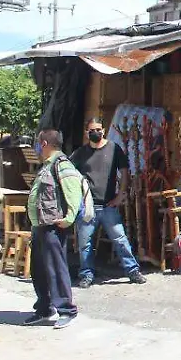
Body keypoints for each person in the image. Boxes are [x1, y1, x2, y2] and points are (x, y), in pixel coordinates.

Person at [25, 128, 90, 329]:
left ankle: (66, 309)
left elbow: (73, 191)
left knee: (55, 269)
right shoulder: (47, 165)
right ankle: (44, 308)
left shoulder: (61, 164)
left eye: (38, 143)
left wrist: (69, 218)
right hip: (40, 226)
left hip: (53, 226)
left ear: (44, 143)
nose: (36, 147)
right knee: (39, 270)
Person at [70, 117, 145, 288]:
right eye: (91, 130)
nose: (95, 132)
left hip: (108, 205)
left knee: (120, 239)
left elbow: (125, 171)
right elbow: (69, 172)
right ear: (86, 132)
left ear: (103, 130)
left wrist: (121, 195)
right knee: (84, 243)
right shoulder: (81, 153)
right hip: (88, 206)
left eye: (97, 129)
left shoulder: (113, 149)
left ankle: (133, 270)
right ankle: (87, 274)